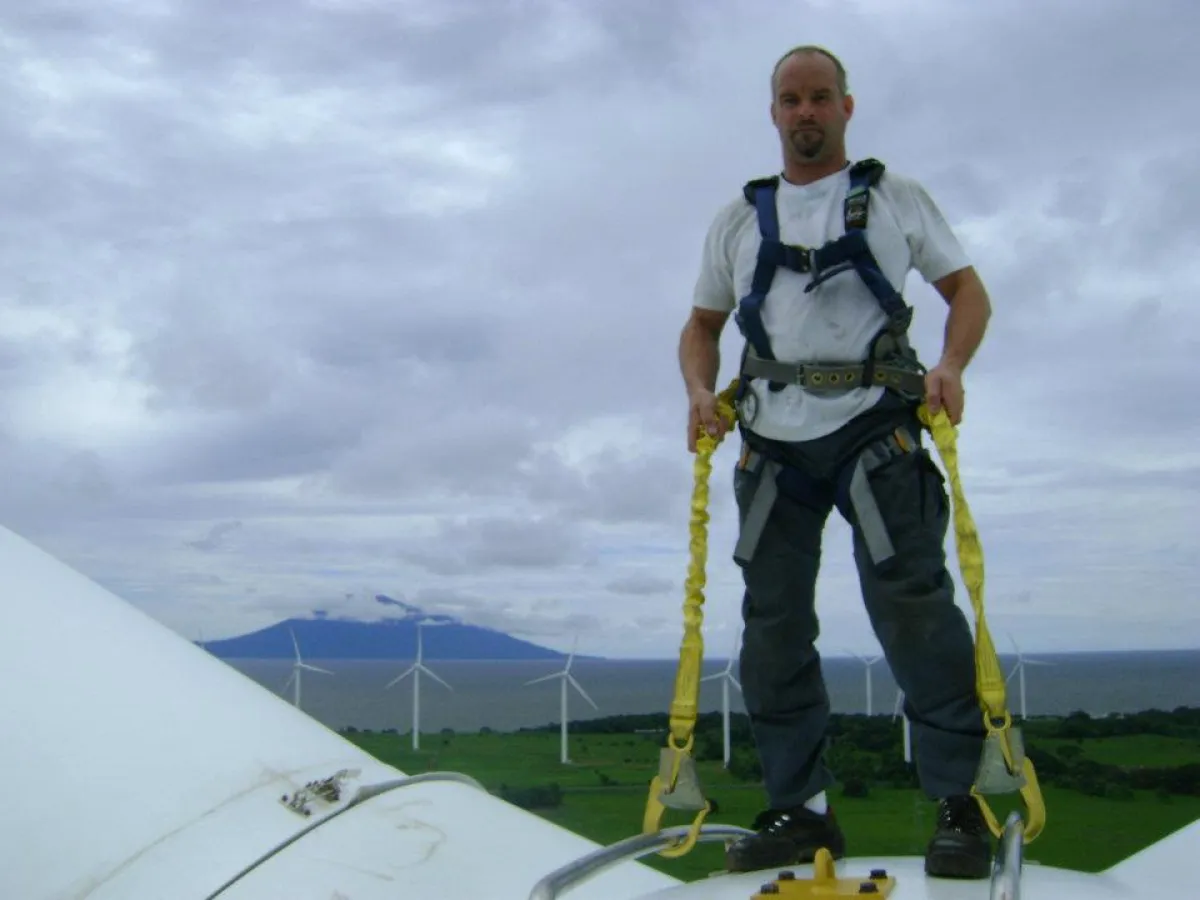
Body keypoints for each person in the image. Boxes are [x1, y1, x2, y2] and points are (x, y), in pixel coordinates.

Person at [677, 45, 996, 880]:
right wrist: (698, 390)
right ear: (774, 113)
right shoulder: (739, 221)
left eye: (821, 98)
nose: (806, 112)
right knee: (772, 629)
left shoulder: (896, 199)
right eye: (791, 100)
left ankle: (962, 803)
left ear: (846, 108)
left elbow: (967, 292)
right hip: (772, 441)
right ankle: (802, 813)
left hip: (875, 430)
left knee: (914, 612)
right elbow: (702, 326)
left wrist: (951, 366)